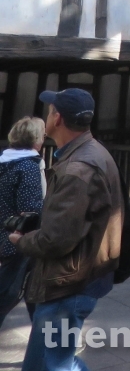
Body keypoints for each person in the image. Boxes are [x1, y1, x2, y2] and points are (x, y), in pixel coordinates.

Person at [12, 89, 122, 371]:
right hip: (79, 277)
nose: (47, 116)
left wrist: (21, 241)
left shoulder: (78, 166)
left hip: (68, 283)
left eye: (49, 111)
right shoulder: (90, 152)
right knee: (56, 362)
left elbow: (56, 239)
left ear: (57, 118)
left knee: (50, 365)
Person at [0, 117, 45, 329]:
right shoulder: (28, 167)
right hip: (16, 241)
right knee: (10, 295)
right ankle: (47, 341)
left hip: (2, 238)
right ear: (35, 139)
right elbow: (30, 212)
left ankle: (46, 340)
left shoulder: (3, 161)